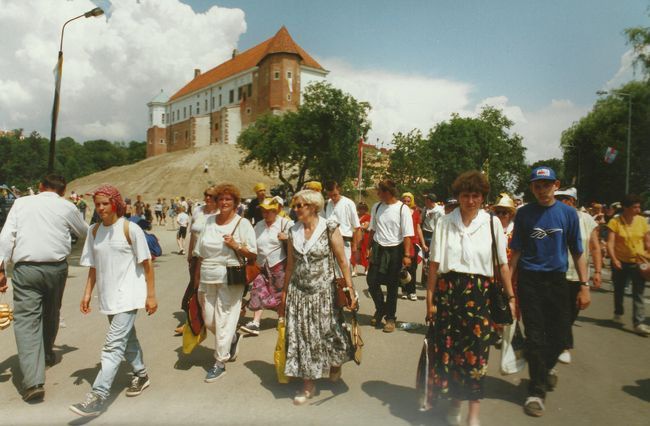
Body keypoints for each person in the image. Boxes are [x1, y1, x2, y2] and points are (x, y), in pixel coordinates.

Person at [426, 171, 515, 426]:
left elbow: (502, 264)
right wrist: (429, 299)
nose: (471, 200)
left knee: (477, 354)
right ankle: (454, 404)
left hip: (480, 295)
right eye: (466, 195)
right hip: (448, 293)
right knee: (451, 352)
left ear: (483, 198)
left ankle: (473, 414)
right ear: (458, 197)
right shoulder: (444, 222)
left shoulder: (491, 223)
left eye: (476, 195)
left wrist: (510, 297)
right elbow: (433, 265)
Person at [70, 184, 157, 417]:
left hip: (129, 297)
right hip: (108, 297)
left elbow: (147, 265)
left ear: (115, 204)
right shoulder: (94, 231)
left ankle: (97, 396)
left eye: (105, 204)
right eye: (97, 204)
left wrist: (150, 295)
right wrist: (87, 293)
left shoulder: (130, 229)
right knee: (127, 339)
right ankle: (141, 374)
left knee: (113, 345)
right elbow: (93, 267)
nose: (100, 208)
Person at [0, 174, 88, 402]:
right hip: (56, 269)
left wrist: (1, 268)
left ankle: (33, 382)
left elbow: (6, 237)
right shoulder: (67, 207)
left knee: (27, 321)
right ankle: (47, 351)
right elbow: (86, 232)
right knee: (51, 312)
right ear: (63, 190)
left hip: (26, 270)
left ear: (40, 187)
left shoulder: (21, 203)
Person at [509, 166, 589, 417]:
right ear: (531, 187)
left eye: (546, 184)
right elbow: (517, 251)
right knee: (535, 337)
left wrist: (585, 286)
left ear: (556, 185)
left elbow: (577, 252)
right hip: (529, 280)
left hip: (558, 281)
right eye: (537, 185)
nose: (542, 190)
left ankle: (545, 368)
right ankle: (536, 390)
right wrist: (507, 286)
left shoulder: (568, 214)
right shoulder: (524, 214)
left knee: (562, 338)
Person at [278, 189, 356, 404]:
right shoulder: (293, 231)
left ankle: (336, 362)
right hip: (299, 293)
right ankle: (308, 385)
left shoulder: (329, 227)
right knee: (302, 337)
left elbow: (342, 261)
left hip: (325, 294)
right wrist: (285, 293)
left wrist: (350, 289)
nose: (295, 210)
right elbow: (291, 265)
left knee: (331, 333)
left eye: (299, 206)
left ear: (312, 207)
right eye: (294, 206)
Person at [195, 183, 257, 382]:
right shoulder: (208, 221)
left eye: (228, 199)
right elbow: (199, 252)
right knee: (209, 319)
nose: (224, 203)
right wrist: (195, 280)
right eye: (220, 199)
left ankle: (220, 362)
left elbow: (253, 253)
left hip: (230, 276)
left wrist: (236, 245)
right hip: (207, 275)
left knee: (225, 318)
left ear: (236, 203)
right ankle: (232, 337)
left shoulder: (243, 224)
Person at [554, 188, 602, 364]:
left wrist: (597, 271)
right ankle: (564, 346)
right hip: (556, 273)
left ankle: (560, 342)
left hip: (578, 276)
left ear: (571, 201)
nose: (558, 202)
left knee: (572, 311)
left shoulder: (587, 220)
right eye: (557, 199)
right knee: (560, 312)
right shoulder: (553, 217)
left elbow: (595, 248)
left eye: (562, 199)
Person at [366, 179, 414, 333]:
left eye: (379, 192)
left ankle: (390, 318)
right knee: (371, 280)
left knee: (392, 285)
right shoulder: (377, 206)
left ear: (387, 193)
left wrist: (407, 255)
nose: (377, 194)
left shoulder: (402, 209)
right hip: (378, 248)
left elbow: (407, 234)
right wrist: (368, 247)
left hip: (395, 250)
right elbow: (372, 229)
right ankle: (381, 308)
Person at [241, 198, 293, 336]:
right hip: (260, 264)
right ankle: (255, 322)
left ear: (276, 211)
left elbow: (298, 238)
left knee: (279, 292)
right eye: (263, 211)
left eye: (269, 211)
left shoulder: (286, 223)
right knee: (257, 289)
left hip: (279, 264)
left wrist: (287, 237)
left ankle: (282, 317)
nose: (266, 213)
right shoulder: (259, 225)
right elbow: (251, 241)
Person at [175, 187, 219, 335]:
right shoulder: (198, 211)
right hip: (196, 256)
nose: (207, 198)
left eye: (211, 196)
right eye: (205, 195)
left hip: (212, 257)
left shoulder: (220, 213)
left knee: (207, 290)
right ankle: (193, 321)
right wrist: (189, 253)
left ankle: (201, 321)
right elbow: (193, 234)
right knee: (195, 288)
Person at [606, 194, 650, 336]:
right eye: (634, 207)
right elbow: (610, 243)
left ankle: (639, 323)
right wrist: (614, 259)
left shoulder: (643, 221)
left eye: (639, 207)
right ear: (625, 207)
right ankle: (618, 312)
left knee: (638, 293)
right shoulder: (615, 221)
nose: (638, 210)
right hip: (620, 261)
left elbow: (647, 241)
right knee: (619, 289)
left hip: (638, 263)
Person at [324, 181, 362, 274]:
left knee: (343, 268)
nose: (332, 198)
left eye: (334, 195)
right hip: (329, 240)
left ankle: (348, 287)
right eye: (330, 196)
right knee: (331, 270)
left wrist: (355, 246)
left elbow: (357, 227)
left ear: (339, 190)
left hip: (344, 240)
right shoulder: (328, 203)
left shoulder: (348, 203)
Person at [401, 192, 425, 301]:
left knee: (413, 268)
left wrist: (423, 243)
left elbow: (418, 228)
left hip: (414, 242)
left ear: (412, 201)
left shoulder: (416, 212)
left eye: (408, 201)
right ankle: (404, 290)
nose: (406, 203)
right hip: (402, 242)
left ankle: (412, 291)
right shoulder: (399, 212)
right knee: (402, 268)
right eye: (404, 201)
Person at [353, 202, 371, 276]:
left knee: (365, 252)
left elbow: (366, 226)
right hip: (355, 236)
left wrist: (358, 226)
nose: (361, 209)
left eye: (363, 208)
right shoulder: (355, 216)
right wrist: (360, 226)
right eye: (360, 208)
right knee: (354, 251)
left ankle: (366, 268)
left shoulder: (368, 216)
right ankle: (354, 269)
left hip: (365, 236)